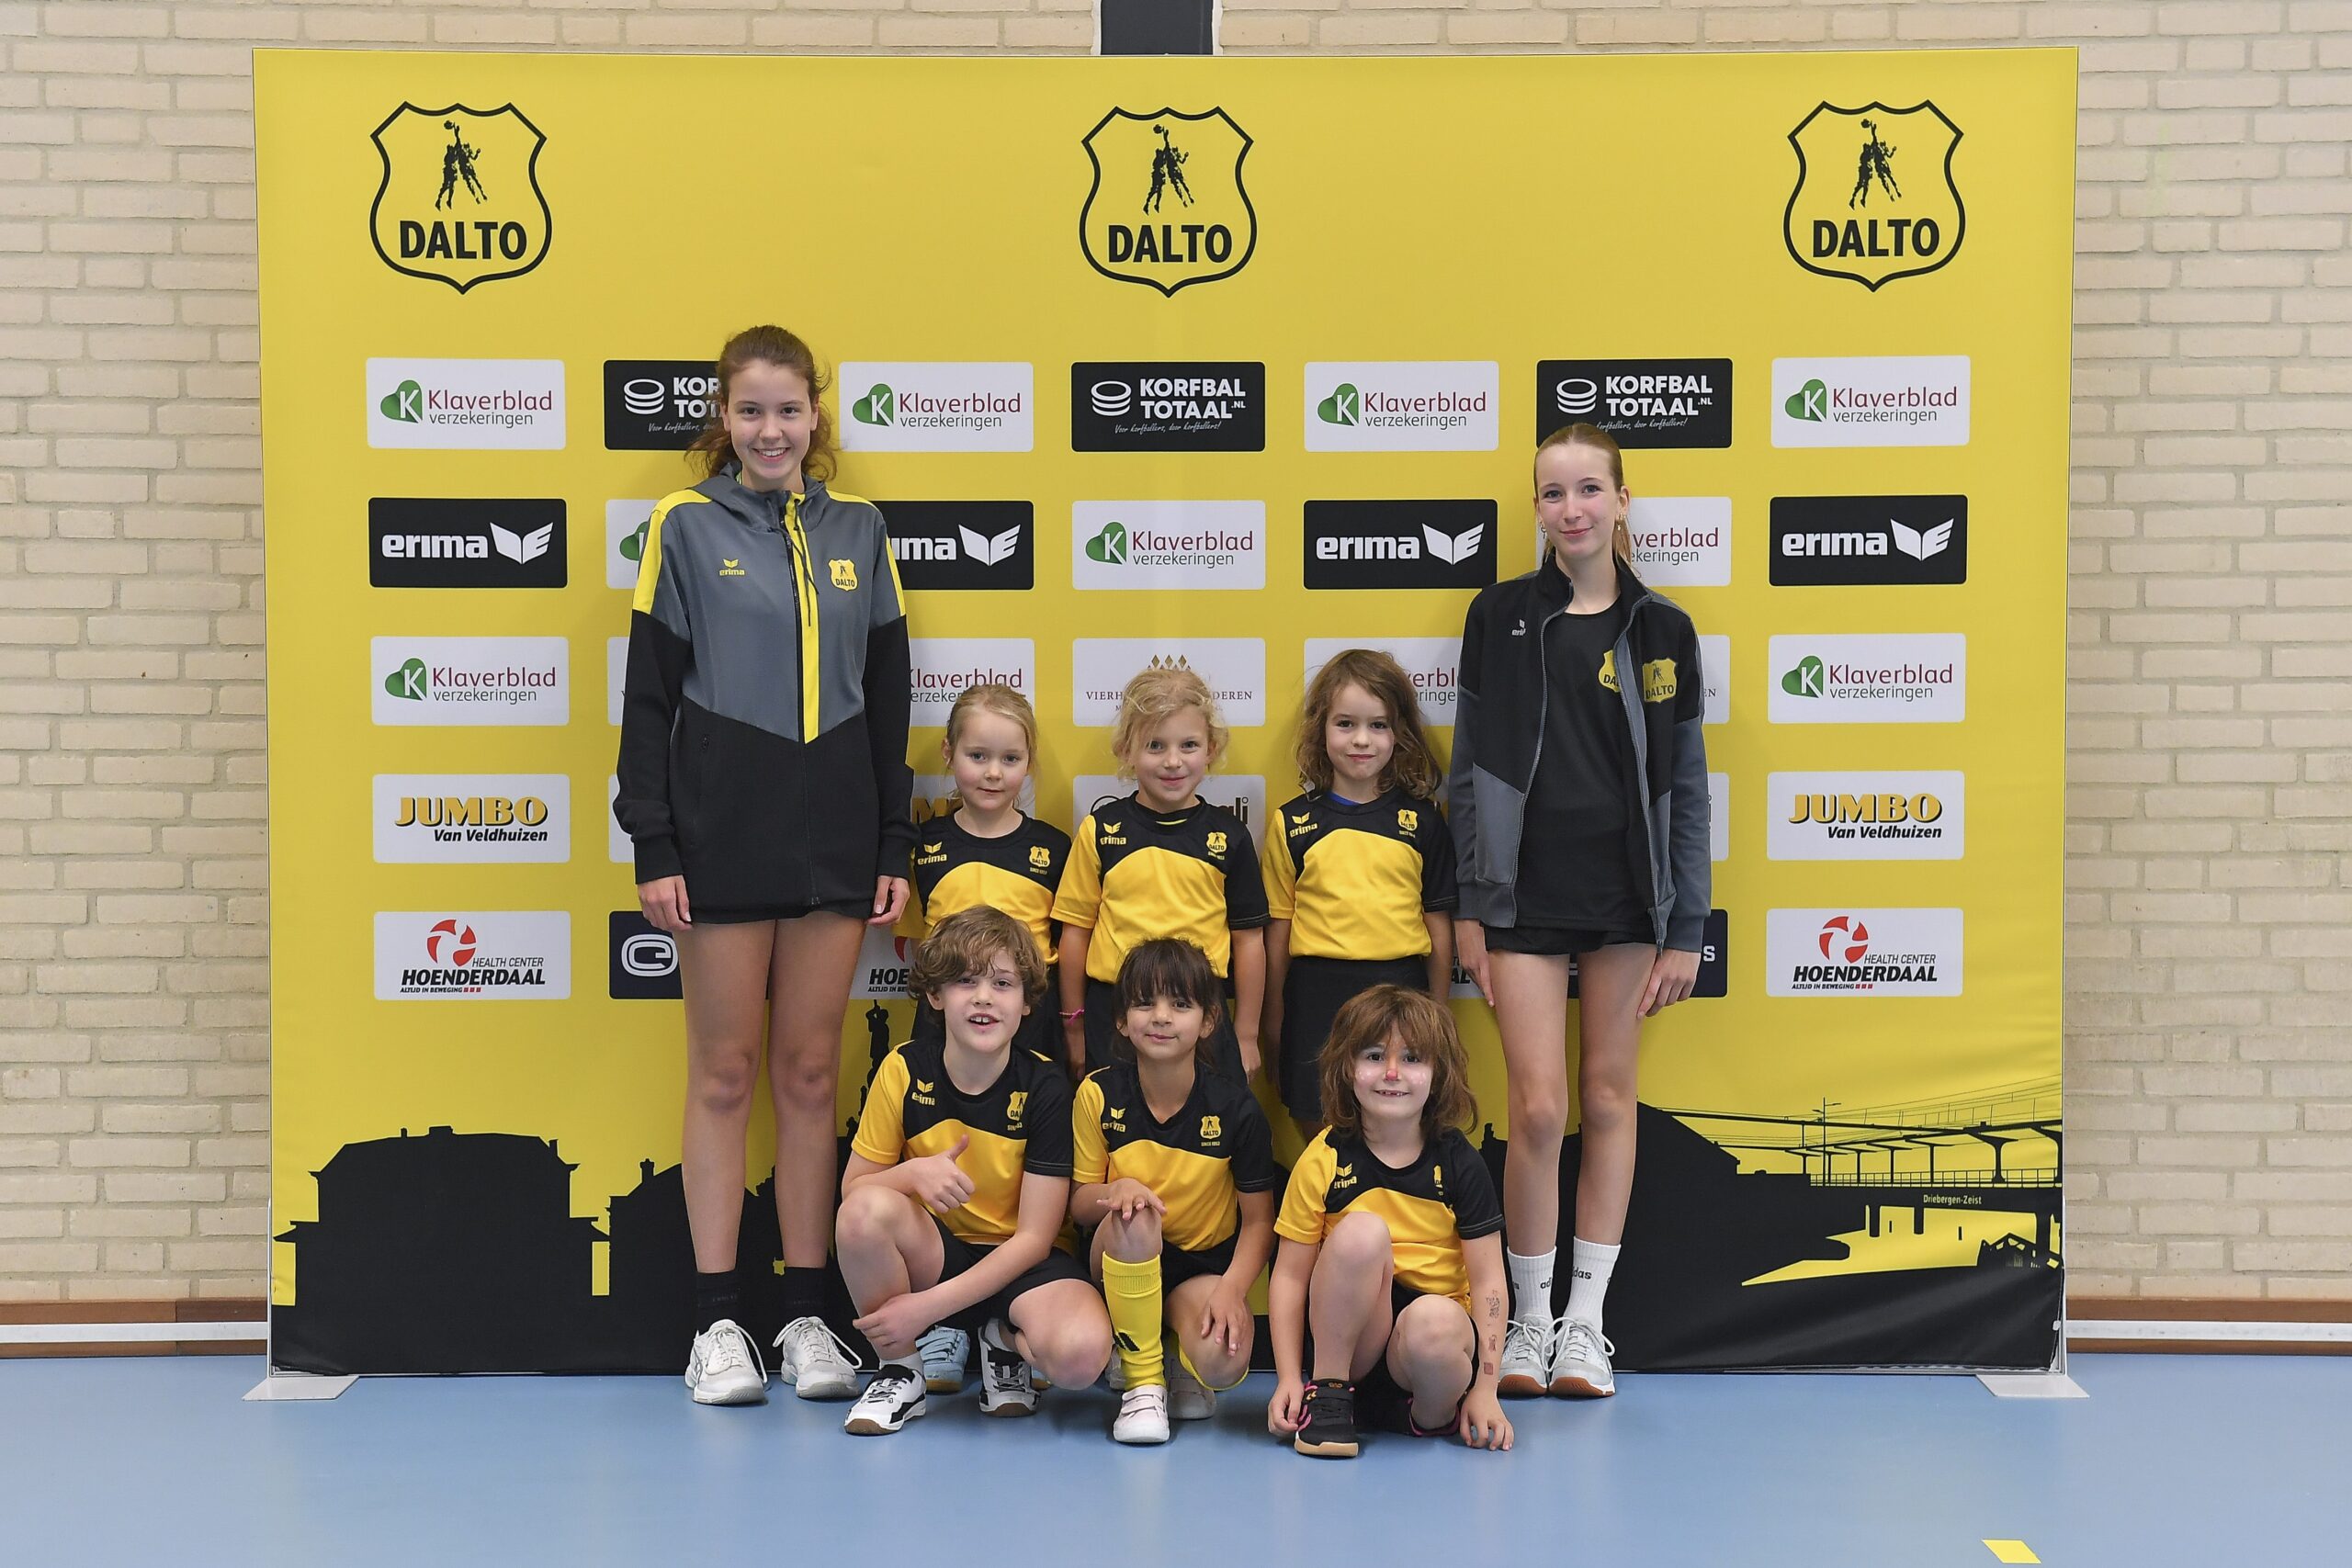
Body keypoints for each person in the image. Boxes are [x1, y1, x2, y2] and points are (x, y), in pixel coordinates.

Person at [614, 323, 913, 1405]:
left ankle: (804, 1317)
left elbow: (890, 696)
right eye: (751, 410)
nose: (771, 429)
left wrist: (891, 839)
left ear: (815, 416)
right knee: (724, 1073)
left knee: (809, 1077)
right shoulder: (684, 526)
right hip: (721, 838)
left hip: (835, 839)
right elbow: (648, 697)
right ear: (723, 419)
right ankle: (715, 1325)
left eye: (788, 409)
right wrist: (654, 839)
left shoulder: (861, 529)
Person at [1448, 422, 1711, 1401]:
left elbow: (1687, 786)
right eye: (1554, 493)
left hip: (1625, 901)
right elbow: (1467, 771)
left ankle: (1585, 1327)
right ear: (1536, 509)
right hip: (1520, 897)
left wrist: (1685, 927)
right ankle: (1526, 1321)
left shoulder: (1664, 629)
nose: (1573, 509)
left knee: (1606, 1098)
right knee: (1537, 1107)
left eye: (1590, 489)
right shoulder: (1498, 615)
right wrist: (1469, 906)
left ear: (1622, 500)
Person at [833, 906, 1111, 1435]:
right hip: (938, 1255)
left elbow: (1034, 1240)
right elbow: (854, 1190)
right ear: (936, 996)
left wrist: (924, 1310)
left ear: (1026, 1003)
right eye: (965, 981)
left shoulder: (1046, 1087)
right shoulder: (904, 1068)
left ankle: (999, 1341)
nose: (984, 997)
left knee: (1080, 1359)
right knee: (864, 1212)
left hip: (1023, 1267)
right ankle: (900, 1370)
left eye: (1002, 983)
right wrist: (911, 1176)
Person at [894, 682, 1070, 1394]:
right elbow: (913, 941)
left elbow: (1068, 946)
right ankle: (941, 1322)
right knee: (941, 1158)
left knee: (1023, 1172)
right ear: (948, 755)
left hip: (1029, 1031)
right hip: (943, 1030)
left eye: (1010, 758)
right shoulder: (927, 846)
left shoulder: (1053, 848)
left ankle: (1011, 1316)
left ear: (1029, 763)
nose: (993, 773)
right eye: (977, 756)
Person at [1265, 987, 1511, 1458]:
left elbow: (1489, 1284)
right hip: (1351, 1346)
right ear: (1347, 1068)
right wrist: (1288, 1378)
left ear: (1438, 1073)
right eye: (1375, 1056)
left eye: (1412, 1058)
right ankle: (1329, 1400)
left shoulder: (1459, 1162)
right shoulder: (1324, 1157)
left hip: (1424, 1349)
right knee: (1363, 1232)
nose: (1392, 1073)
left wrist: (1486, 1389)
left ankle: (1427, 1415)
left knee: (1435, 1325)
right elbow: (1290, 1277)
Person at [1070, 938, 1276, 1444]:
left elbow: (1258, 1223)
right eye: (1145, 1003)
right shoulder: (1098, 1093)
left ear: (1208, 1021)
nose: (1161, 1017)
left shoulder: (1236, 1108)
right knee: (1136, 1213)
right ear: (1122, 1020)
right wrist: (1116, 1189)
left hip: (1199, 1269)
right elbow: (1078, 1204)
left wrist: (1231, 1290)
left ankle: (1174, 1354)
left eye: (1180, 1004)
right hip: (1119, 1255)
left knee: (1223, 1361)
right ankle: (1142, 1382)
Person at [1262, 649, 1457, 1132]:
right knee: (1316, 1119)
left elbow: (1438, 926)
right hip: (1314, 993)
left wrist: (1438, 1012)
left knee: (1397, 1121)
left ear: (1399, 732)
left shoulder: (1423, 821)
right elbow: (1278, 932)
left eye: (1378, 725)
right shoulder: (1292, 823)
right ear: (1321, 729)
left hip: (1400, 988)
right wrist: (1273, 1018)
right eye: (1345, 724)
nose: (1362, 740)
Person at [1054, 665, 1268, 1084]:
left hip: (1201, 1013)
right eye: (1155, 745)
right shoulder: (1100, 831)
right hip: (1113, 1012)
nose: (1173, 761)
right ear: (1127, 750)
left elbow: (1249, 941)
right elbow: (1075, 933)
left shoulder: (1229, 836)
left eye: (1189, 745)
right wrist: (1073, 1024)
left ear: (1211, 748)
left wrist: (1246, 1033)